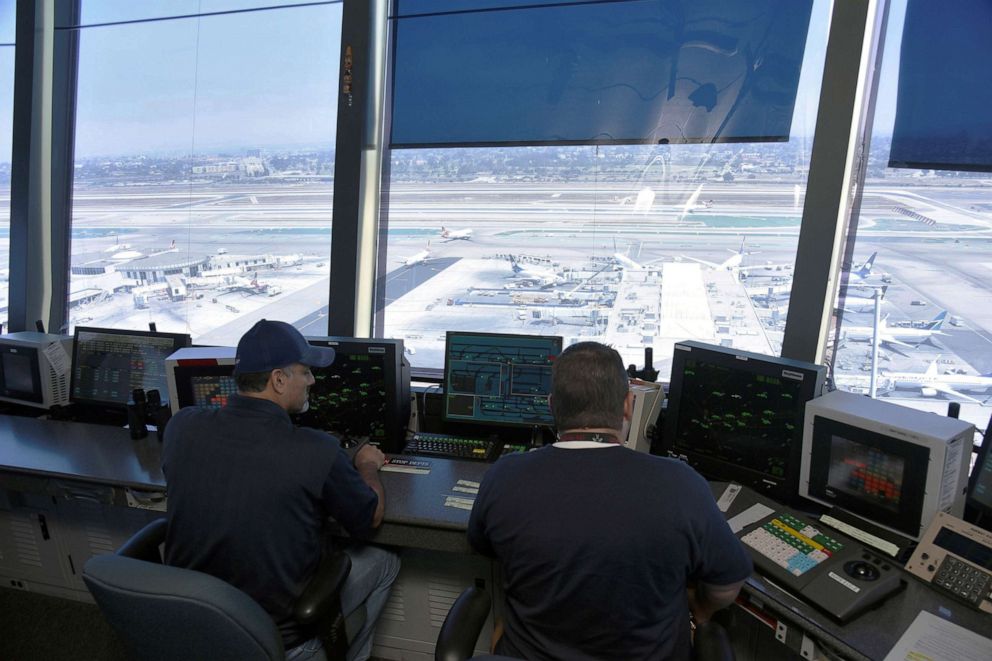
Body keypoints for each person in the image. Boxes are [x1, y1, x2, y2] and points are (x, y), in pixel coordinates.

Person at [467, 341, 752, 660]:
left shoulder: (504, 475)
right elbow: (727, 585)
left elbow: (483, 546)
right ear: (628, 405)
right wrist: (700, 610)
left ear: (552, 406)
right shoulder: (682, 484)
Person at [162, 319, 399, 661]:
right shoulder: (315, 450)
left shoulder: (181, 427)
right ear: (278, 379)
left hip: (198, 627)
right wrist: (366, 464)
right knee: (385, 559)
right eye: (305, 372)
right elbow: (369, 517)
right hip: (279, 641)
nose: (312, 381)